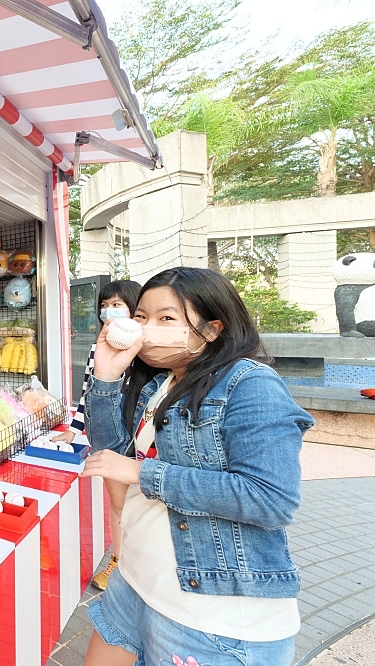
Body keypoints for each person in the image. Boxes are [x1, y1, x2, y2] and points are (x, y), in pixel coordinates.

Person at [80, 267, 312, 666]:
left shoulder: (251, 384)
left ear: (211, 329)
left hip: (211, 617)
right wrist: (106, 375)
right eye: (141, 317)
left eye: (165, 318)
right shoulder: (162, 384)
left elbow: (270, 500)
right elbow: (113, 450)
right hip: (136, 583)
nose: (146, 329)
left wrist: (143, 474)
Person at [53, 279, 141, 591]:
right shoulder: (97, 348)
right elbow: (88, 393)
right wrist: (74, 430)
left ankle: (140, 564)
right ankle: (118, 562)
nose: (109, 311)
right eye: (105, 305)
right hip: (110, 437)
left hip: (144, 440)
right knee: (118, 506)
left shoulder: (150, 350)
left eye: (117, 304)